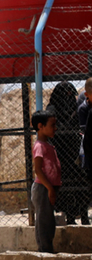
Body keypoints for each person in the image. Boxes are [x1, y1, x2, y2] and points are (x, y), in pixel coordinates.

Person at [47, 82, 90, 225]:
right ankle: (70, 217)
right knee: (65, 187)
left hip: (75, 153)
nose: (69, 97)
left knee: (81, 184)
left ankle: (84, 215)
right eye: (66, 94)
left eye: (71, 94)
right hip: (60, 154)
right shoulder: (52, 110)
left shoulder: (76, 107)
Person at [32, 109, 61, 253]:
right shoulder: (39, 146)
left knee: (48, 220)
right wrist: (49, 188)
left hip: (48, 187)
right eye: (52, 125)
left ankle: (47, 248)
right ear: (40, 126)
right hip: (43, 188)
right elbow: (38, 170)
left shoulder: (47, 145)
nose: (55, 128)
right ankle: (44, 250)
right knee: (44, 221)